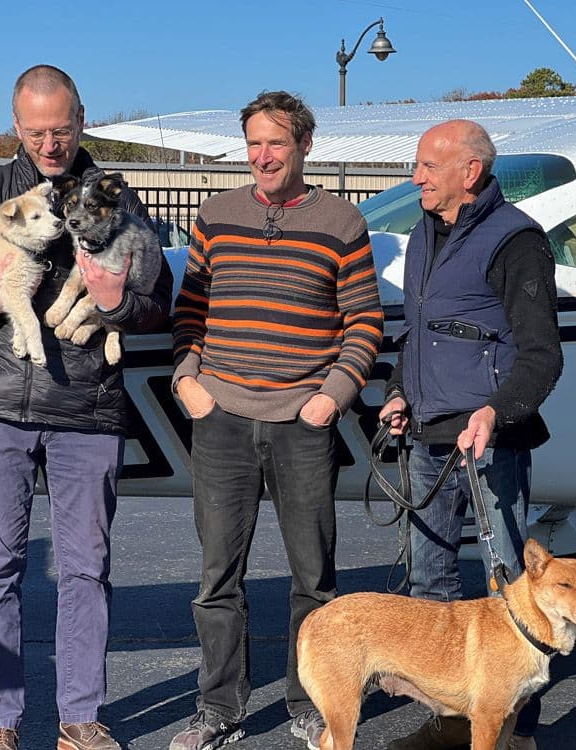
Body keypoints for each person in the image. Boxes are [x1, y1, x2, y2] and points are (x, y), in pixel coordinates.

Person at [0, 65, 174, 750]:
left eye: (62, 129)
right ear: (17, 127)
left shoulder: (114, 196)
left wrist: (117, 303)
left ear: (81, 120)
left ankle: (80, 719)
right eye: (37, 131)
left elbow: (158, 300)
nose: (51, 144)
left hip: (86, 408)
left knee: (86, 570)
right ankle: (0, 725)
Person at [169, 90, 384, 750]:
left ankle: (311, 703)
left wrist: (331, 397)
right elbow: (190, 311)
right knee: (217, 579)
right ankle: (219, 709)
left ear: (304, 146)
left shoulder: (342, 221)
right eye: (254, 143)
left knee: (313, 579)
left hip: (303, 423)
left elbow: (364, 322)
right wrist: (187, 381)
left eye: (277, 143)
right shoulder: (216, 215)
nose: (263, 156)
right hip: (221, 418)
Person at [378, 119, 563, 750]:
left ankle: (517, 732)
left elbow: (542, 356)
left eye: (428, 167)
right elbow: (419, 333)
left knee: (512, 587)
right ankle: (455, 726)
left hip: (490, 441)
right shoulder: (424, 234)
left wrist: (495, 412)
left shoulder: (517, 240)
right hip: (427, 436)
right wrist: (398, 391)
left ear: (470, 171)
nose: (416, 178)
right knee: (429, 588)